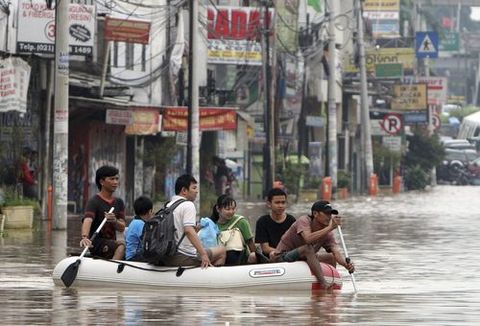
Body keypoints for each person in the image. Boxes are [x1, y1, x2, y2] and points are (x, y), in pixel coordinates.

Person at [272, 200, 355, 288]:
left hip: (303, 258)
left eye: (330, 214)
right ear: (315, 213)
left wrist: (345, 264)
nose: (329, 217)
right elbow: (308, 239)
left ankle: (331, 282)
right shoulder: (304, 220)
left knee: (331, 257)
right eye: (326, 213)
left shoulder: (327, 232)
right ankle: (323, 283)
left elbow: (336, 252)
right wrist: (330, 228)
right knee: (308, 249)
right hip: (282, 256)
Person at [162, 174, 226, 268]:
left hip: (167, 256)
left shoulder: (168, 206)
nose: (196, 191)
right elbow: (188, 231)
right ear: (184, 190)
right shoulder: (188, 205)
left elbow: (179, 231)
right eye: (194, 188)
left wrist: (195, 230)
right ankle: (212, 279)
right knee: (222, 250)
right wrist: (203, 254)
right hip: (183, 256)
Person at [80, 165, 126, 260]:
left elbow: (122, 227)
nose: (115, 182)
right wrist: (85, 237)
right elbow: (88, 220)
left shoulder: (119, 202)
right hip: (97, 243)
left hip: (111, 243)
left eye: (117, 179)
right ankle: (112, 272)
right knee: (121, 246)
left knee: (126, 248)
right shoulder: (94, 201)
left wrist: (114, 221)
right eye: (112, 179)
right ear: (101, 182)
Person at [210, 194, 256, 265]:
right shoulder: (211, 225)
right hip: (221, 261)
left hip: (241, 260)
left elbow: (250, 244)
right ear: (218, 209)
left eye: (233, 209)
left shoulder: (241, 222)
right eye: (227, 209)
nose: (231, 212)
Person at [255, 188, 296, 261]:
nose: (280, 206)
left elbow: (295, 244)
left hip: (288, 254)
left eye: (283, 202)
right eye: (277, 202)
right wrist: (279, 252)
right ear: (269, 204)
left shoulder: (291, 220)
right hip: (269, 256)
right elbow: (265, 248)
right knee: (253, 256)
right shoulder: (262, 221)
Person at [124, 196, 153, 261]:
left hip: (132, 255)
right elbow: (148, 241)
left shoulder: (135, 222)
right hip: (133, 257)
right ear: (149, 211)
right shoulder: (140, 224)